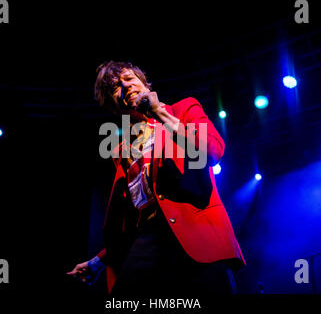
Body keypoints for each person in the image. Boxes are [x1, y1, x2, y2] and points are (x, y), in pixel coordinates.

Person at [67, 61, 245, 300]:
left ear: (143, 82)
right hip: (147, 240)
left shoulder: (183, 110)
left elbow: (211, 152)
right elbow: (130, 219)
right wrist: (99, 261)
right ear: (113, 103)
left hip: (195, 235)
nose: (125, 86)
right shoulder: (122, 150)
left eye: (128, 79)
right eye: (115, 87)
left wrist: (159, 114)